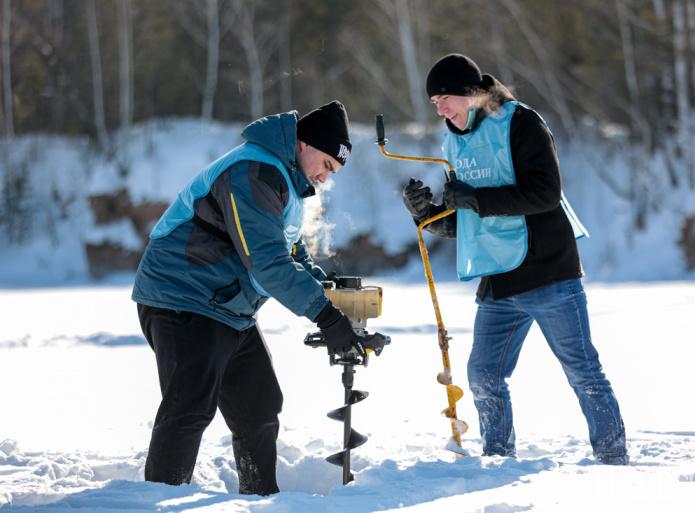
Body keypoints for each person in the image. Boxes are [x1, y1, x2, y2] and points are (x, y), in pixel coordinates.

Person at [402, 54, 628, 464]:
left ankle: (612, 461)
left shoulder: (521, 122)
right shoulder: (455, 141)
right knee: (483, 375)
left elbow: (546, 193)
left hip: (549, 271)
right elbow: (467, 220)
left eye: (444, 99)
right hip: (499, 279)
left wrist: (475, 198)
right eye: (434, 102)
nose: (440, 110)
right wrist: (426, 215)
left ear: (469, 93)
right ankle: (497, 461)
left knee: (583, 371)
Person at [132, 100, 364, 495]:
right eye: (326, 164)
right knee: (190, 407)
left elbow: (291, 253)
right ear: (304, 144)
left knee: (259, 405)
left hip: (226, 306)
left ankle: (259, 496)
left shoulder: (285, 180)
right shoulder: (253, 172)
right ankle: (159, 496)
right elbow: (268, 263)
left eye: (333, 172)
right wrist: (326, 317)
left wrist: (328, 291)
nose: (325, 178)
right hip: (182, 297)